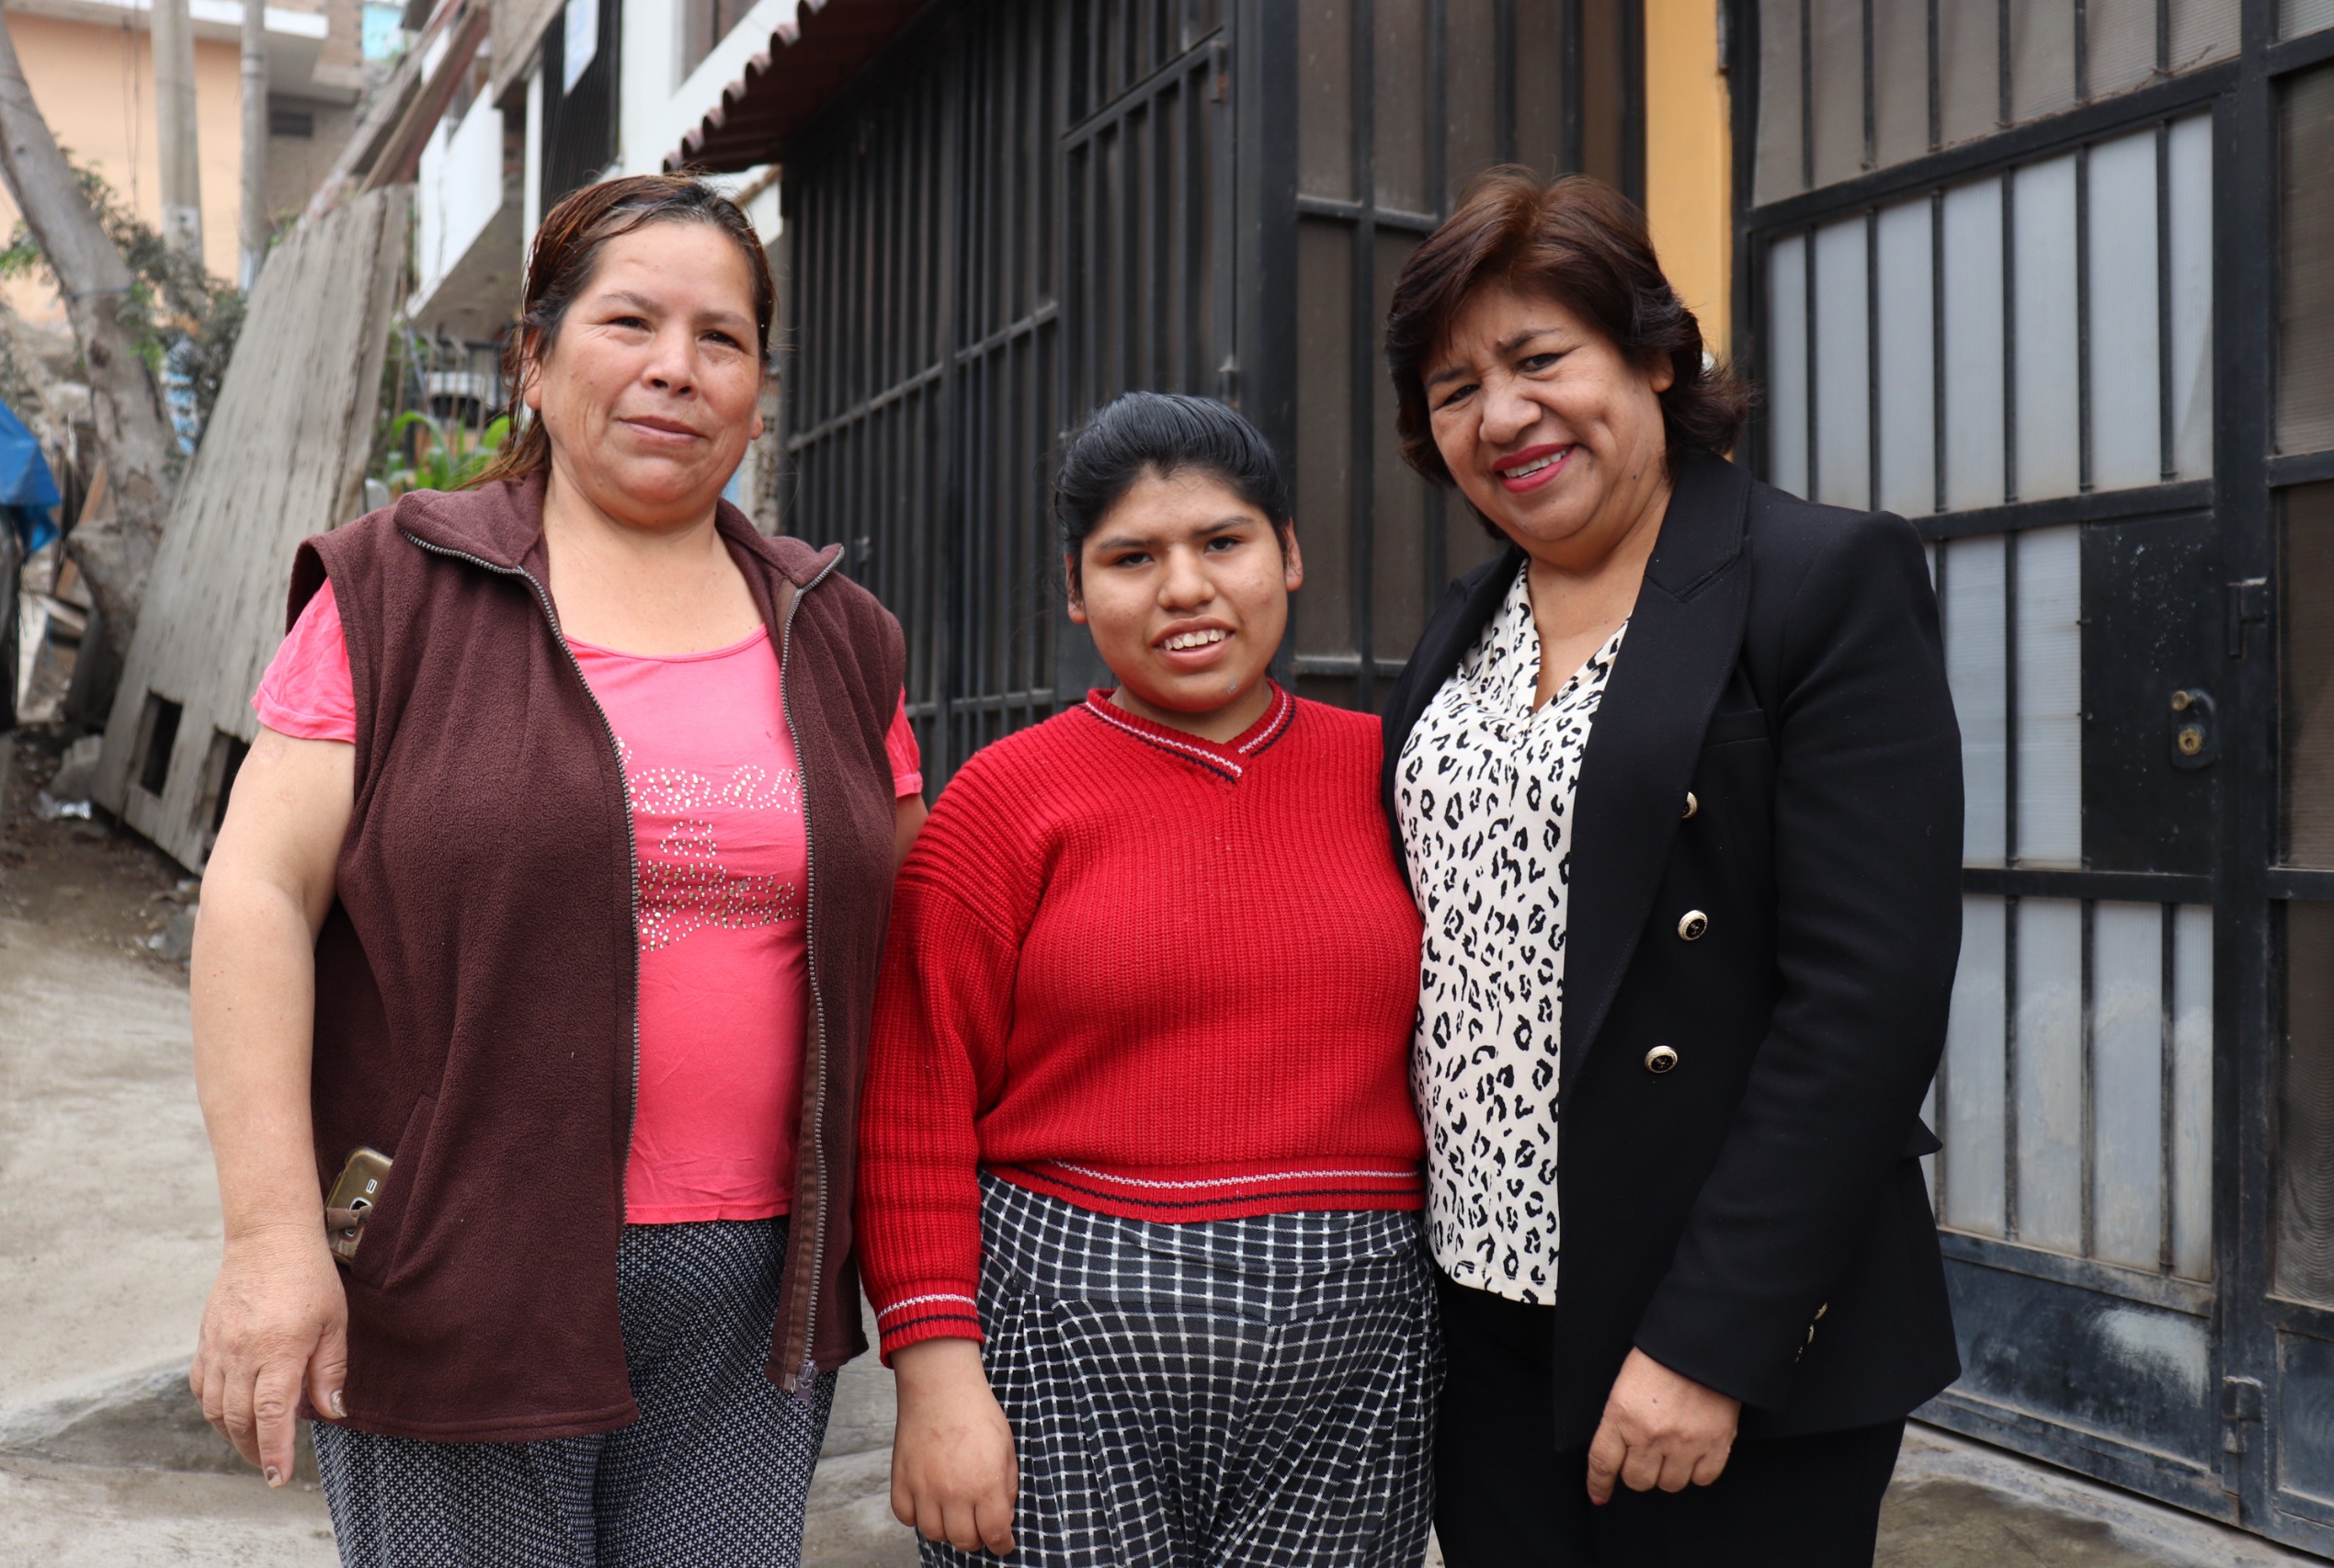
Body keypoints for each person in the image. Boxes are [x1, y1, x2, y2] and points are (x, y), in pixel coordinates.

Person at [188, 174, 925, 1567]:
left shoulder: (842, 635)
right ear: (532, 355)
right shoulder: (395, 593)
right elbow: (255, 897)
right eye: (629, 320)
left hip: (752, 1292)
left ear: (762, 390)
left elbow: (909, 931)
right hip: (461, 1259)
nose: (675, 368)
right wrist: (273, 1234)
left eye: (722, 339)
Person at [1377, 169, 1963, 1564]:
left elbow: (1864, 1003)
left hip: (1715, 1334)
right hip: (1484, 1326)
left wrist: (1710, 1340)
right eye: (1452, 387)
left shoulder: (1816, 580)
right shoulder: (1466, 625)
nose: (1500, 415)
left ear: (1652, 353)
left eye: (1537, 358)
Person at [857, 392, 1437, 1566]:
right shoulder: (1003, 802)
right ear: (1077, 590)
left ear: (1287, 553)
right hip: (1061, 1334)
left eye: (1222, 542)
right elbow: (914, 1096)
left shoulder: (1399, 777)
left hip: (1358, 1341)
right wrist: (935, 1370)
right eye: (1132, 557)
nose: (1183, 589)